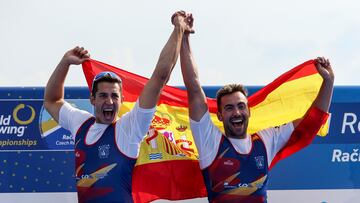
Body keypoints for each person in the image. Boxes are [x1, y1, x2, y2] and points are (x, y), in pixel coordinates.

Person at [179, 12, 334, 202]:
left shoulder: (266, 140)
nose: (236, 112)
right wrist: (184, 36)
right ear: (219, 115)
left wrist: (328, 81)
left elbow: (312, 122)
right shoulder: (210, 142)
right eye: (229, 108)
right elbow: (194, 89)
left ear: (248, 111)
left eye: (241, 106)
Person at [44, 11, 193, 203]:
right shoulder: (80, 123)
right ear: (92, 99)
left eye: (115, 96)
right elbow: (51, 100)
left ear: (122, 100)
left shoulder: (129, 128)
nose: (109, 101)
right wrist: (65, 61)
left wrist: (178, 28)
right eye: (103, 96)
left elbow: (160, 76)